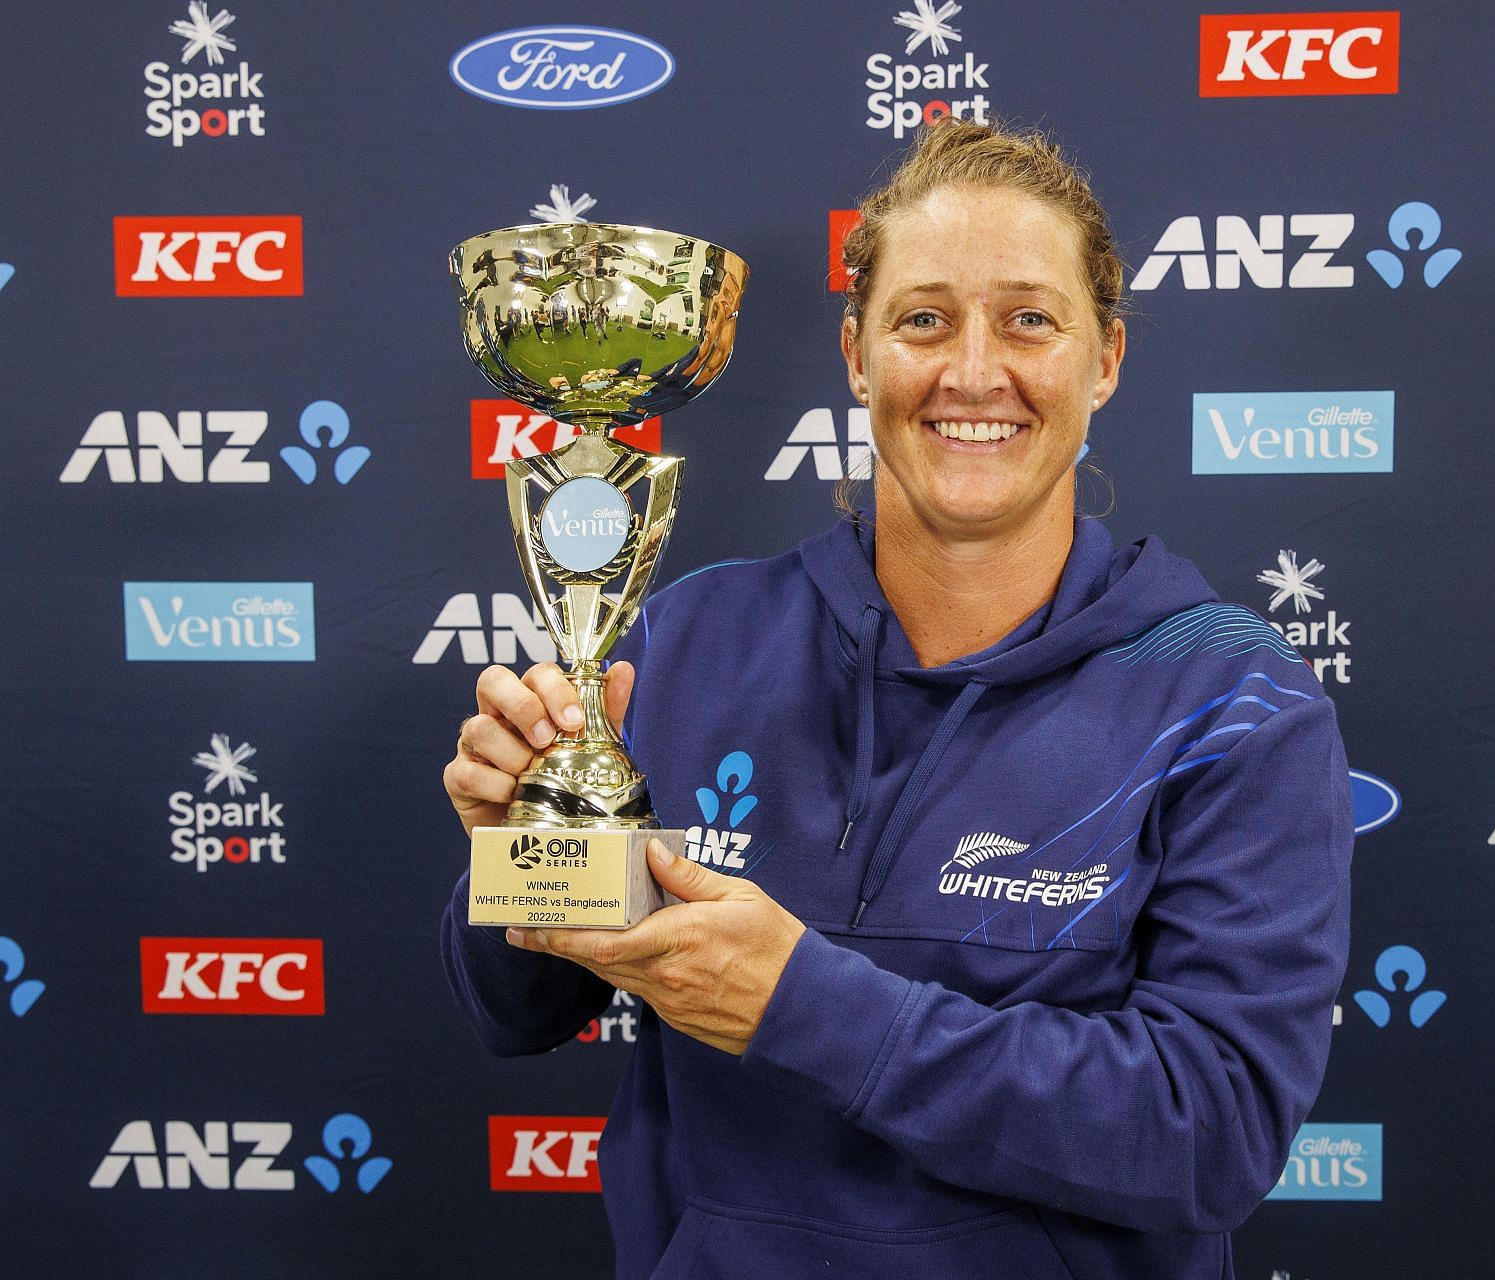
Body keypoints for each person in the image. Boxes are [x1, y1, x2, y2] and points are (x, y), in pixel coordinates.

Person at [442, 118, 1352, 1279]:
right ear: (858, 355)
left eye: (1030, 318)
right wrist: (517, 856)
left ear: (1105, 359)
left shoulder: (1231, 696)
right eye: (923, 319)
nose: (975, 371)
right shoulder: (680, 639)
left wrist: (803, 1001)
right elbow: (512, 1013)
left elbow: (1210, 1135)